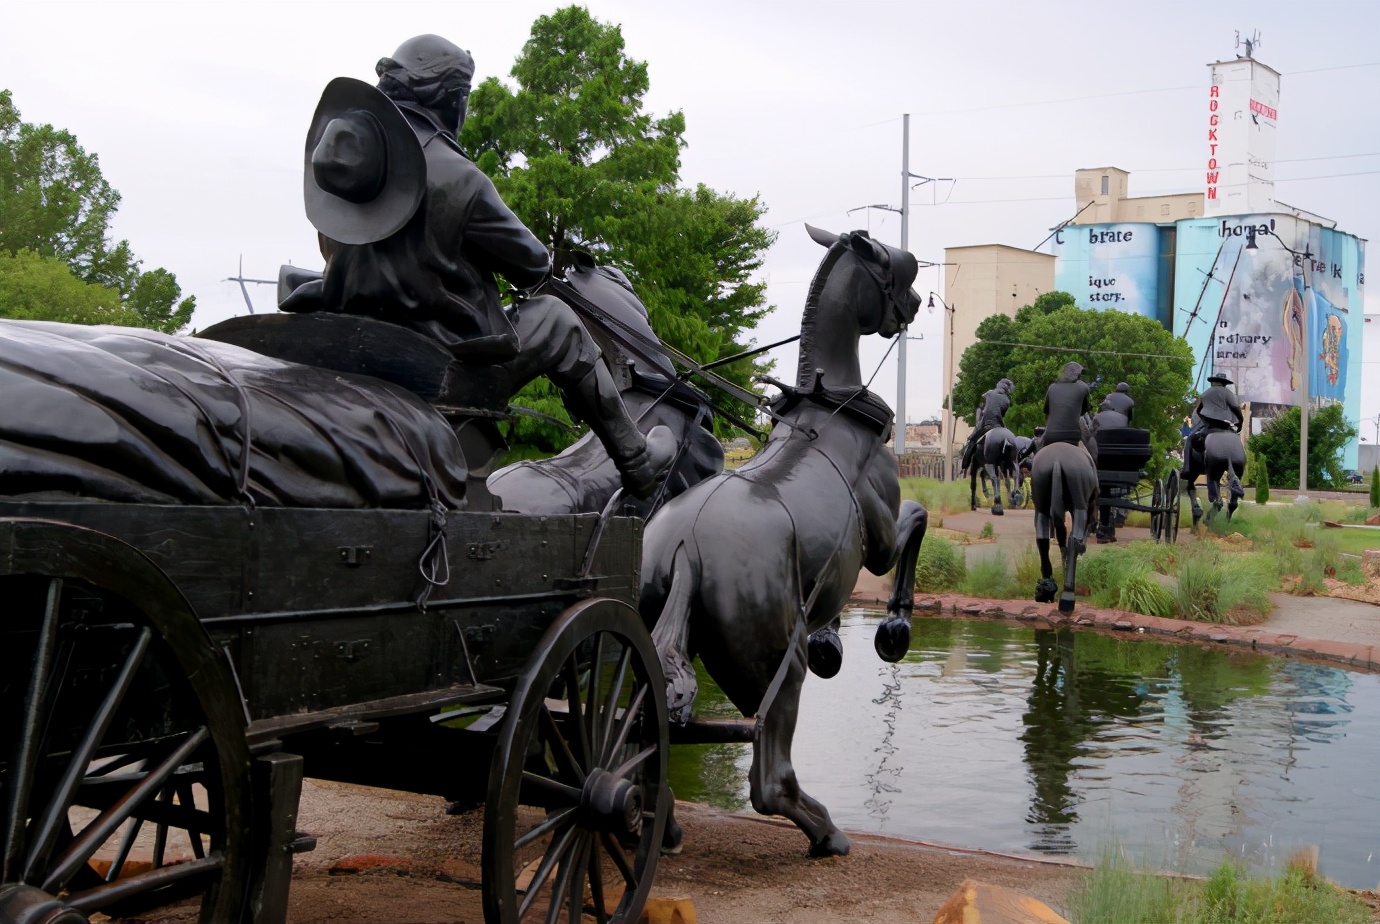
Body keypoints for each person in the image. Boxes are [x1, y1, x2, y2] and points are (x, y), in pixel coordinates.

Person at [295, 35, 662, 497]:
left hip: (355, 348)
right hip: (441, 367)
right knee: (556, 321)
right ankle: (636, 459)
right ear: (455, 99)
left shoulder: (347, 167)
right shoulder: (458, 176)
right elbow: (532, 266)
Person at [1182, 372, 1243, 477]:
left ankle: (1187, 467)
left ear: (1214, 382)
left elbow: (1198, 411)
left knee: (1190, 439)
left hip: (1210, 426)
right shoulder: (1229, 394)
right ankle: (1240, 463)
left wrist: (1205, 421)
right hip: (1227, 427)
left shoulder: (1206, 394)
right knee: (1237, 441)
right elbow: (1236, 409)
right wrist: (1240, 422)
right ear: (1224, 384)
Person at [959, 377, 1014, 472]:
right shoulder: (1007, 401)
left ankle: (964, 465)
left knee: (972, 441)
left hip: (986, 422)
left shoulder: (988, 393)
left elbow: (981, 408)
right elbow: (1002, 414)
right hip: (998, 424)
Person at [1040, 362, 1092, 447]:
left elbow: (1046, 410)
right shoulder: (1084, 387)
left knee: (1037, 448)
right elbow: (1084, 411)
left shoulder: (1052, 387)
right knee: (1090, 448)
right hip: (1072, 436)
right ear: (1078, 375)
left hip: (1050, 435)